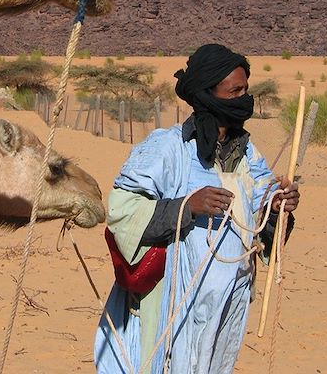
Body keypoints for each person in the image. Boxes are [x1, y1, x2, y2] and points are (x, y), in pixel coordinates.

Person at [94, 44, 300, 374]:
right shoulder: (167, 147)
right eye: (235, 91)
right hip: (174, 302)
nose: (244, 99)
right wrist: (187, 206)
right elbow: (121, 211)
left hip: (228, 302)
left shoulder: (248, 156)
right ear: (208, 93)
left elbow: (265, 228)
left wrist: (279, 207)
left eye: (246, 90)